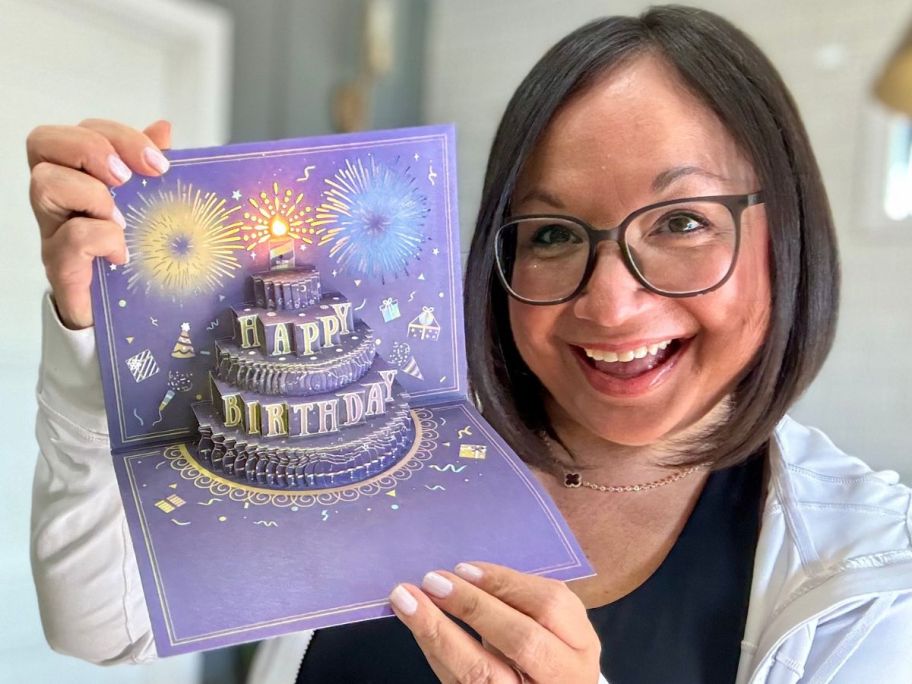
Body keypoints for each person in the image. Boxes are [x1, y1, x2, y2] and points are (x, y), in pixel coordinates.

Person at [28, 6, 912, 683]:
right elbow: (104, 623)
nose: (611, 302)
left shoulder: (871, 573)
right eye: (555, 233)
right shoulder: (375, 435)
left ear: (785, 236)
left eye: (682, 220)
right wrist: (86, 336)